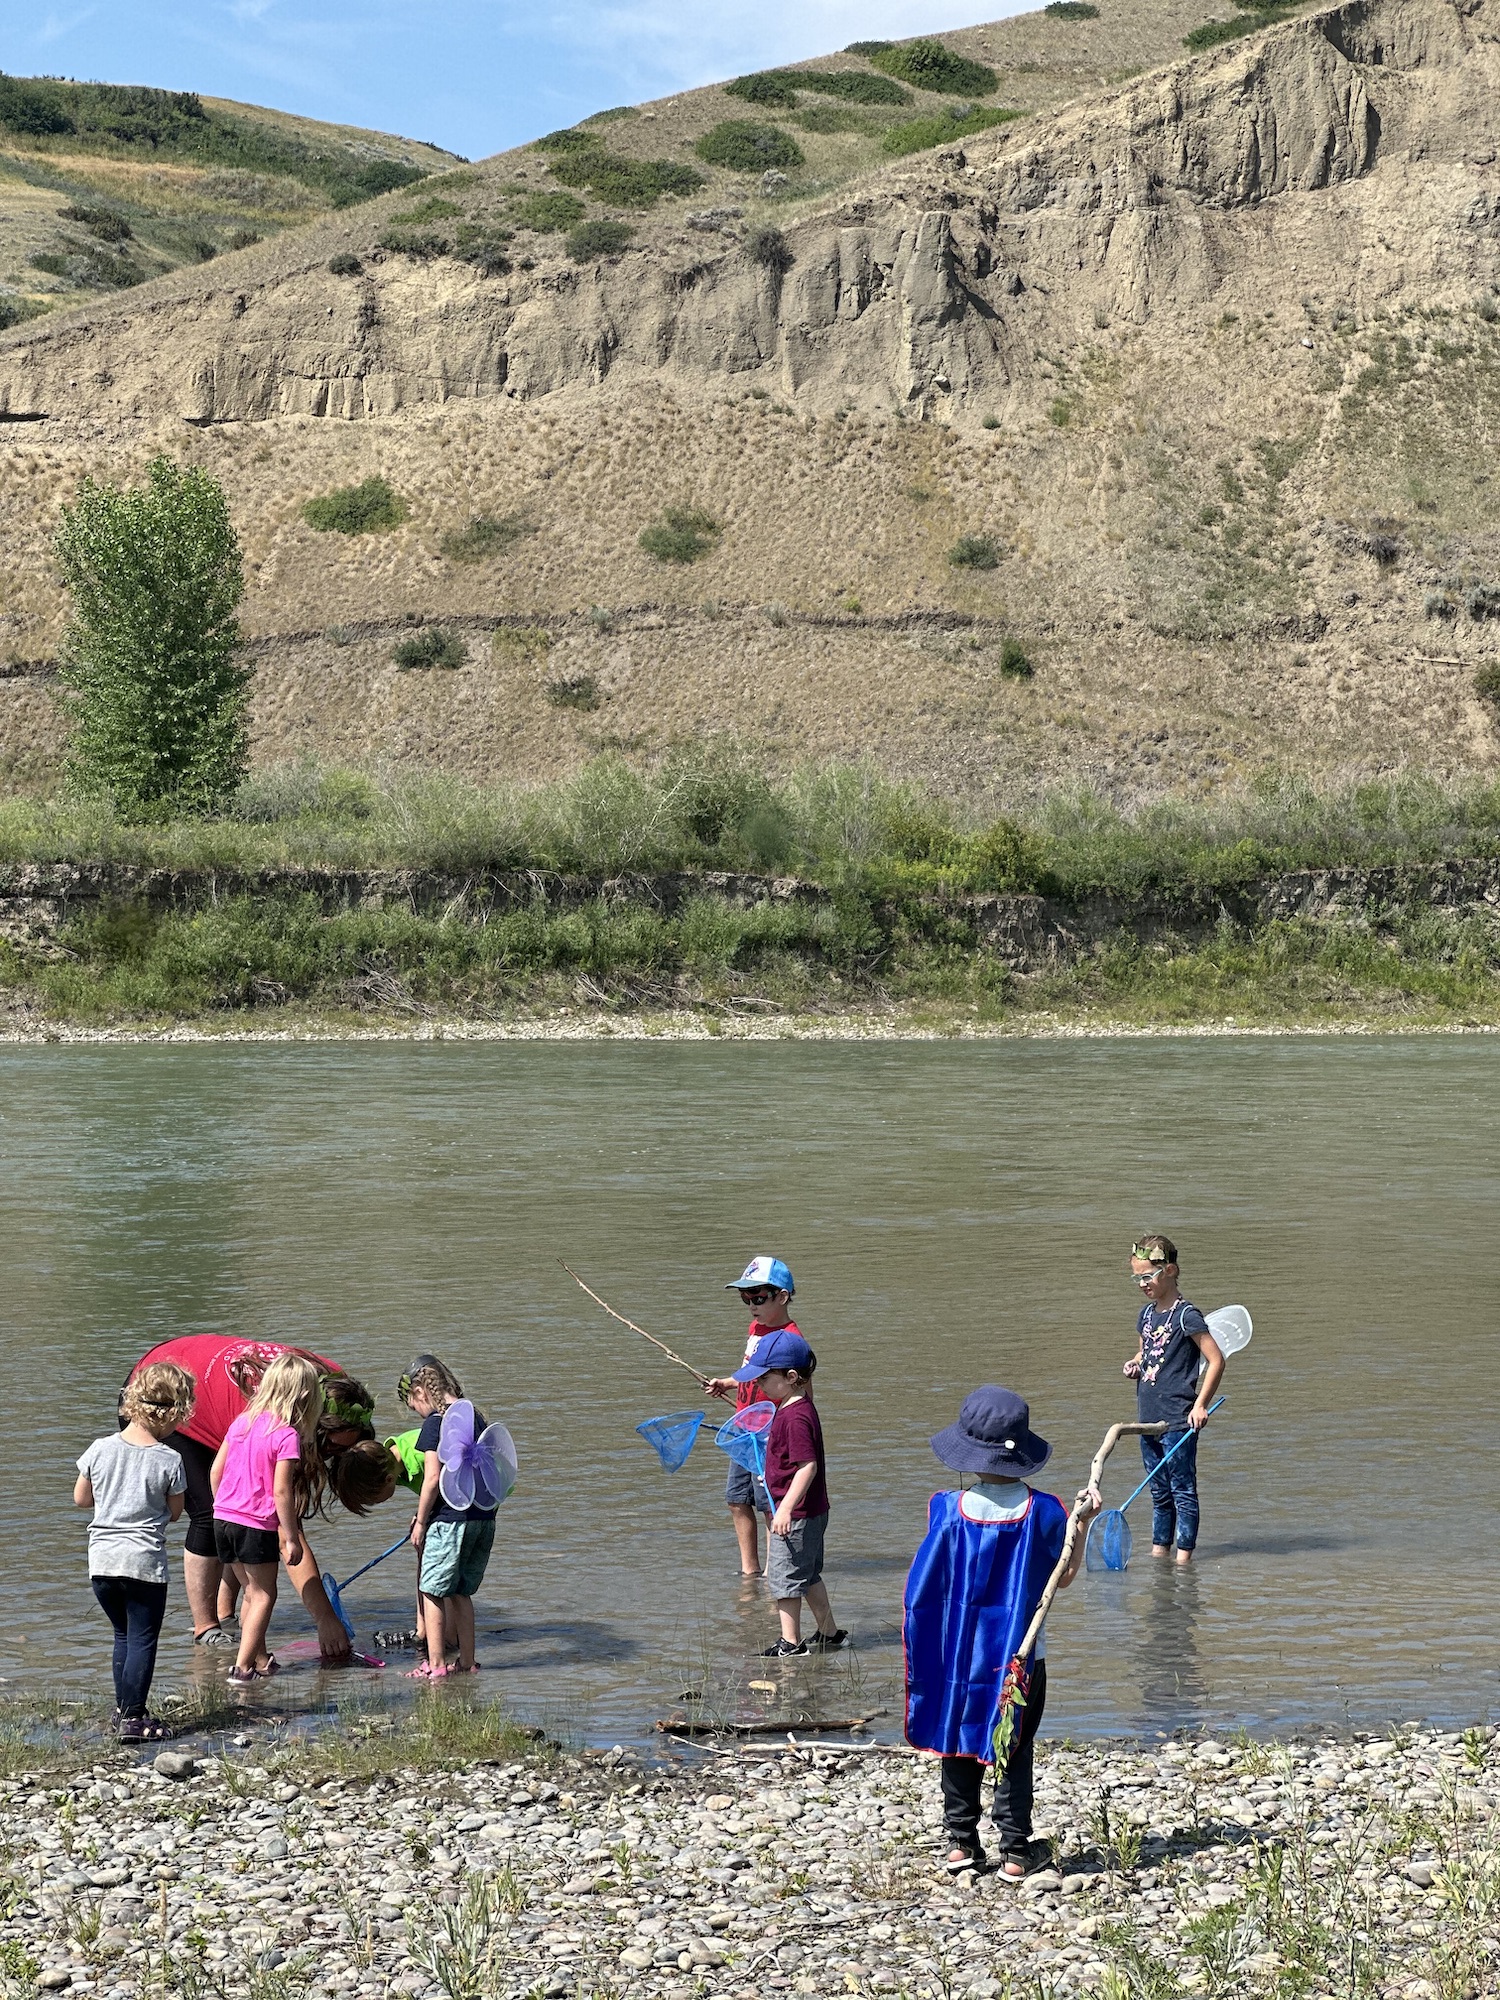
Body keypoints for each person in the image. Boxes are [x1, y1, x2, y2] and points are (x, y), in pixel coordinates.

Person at [903, 1386, 1098, 1877]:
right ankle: (1015, 1849)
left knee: (958, 1732)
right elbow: (1062, 1578)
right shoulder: (1047, 1511)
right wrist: (1082, 1525)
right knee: (1014, 1742)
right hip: (1021, 1655)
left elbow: (930, 1586)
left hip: (958, 1653)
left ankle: (961, 1842)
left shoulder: (945, 1508)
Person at [124, 1335, 398, 1659]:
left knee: (242, 1514)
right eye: (331, 1447)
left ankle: (228, 1616)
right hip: (163, 1392)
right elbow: (286, 1529)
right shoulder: (275, 1425)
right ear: (316, 1423)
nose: (331, 1456)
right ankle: (205, 1627)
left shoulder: (342, 1394)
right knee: (210, 1514)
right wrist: (325, 1618)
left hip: (202, 1385)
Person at [75, 1361, 196, 1743]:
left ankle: (122, 1711)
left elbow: (81, 1499)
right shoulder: (169, 1459)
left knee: (122, 1636)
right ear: (172, 1413)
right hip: (143, 1562)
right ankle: (134, 1718)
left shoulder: (99, 1448)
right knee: (142, 1639)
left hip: (102, 1561)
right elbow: (175, 1513)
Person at [210, 1352, 324, 1682]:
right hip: (255, 1524)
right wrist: (291, 1538)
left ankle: (260, 1661)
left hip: (223, 1519)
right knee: (264, 1595)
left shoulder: (241, 1422)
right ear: (305, 1396)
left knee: (251, 1593)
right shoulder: (286, 1434)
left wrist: (224, 1506)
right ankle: (242, 1669)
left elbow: (216, 1472)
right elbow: (282, 1491)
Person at [731, 1327, 845, 1657]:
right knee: (808, 1575)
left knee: (783, 1580)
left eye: (764, 1377)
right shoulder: (794, 1406)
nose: (758, 1383)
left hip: (796, 1514)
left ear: (791, 1377)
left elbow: (807, 1466)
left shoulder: (795, 1417)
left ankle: (791, 1644)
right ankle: (829, 1634)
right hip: (812, 1511)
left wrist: (784, 1509)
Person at [1123, 1234, 1225, 1565]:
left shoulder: (1187, 1316)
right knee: (1158, 1492)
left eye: (1147, 1277)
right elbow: (1146, 1353)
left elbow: (1216, 1360)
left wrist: (1200, 1405)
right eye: (1136, 1278)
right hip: (1147, 1419)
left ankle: (1183, 1563)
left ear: (1170, 1271)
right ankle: (1159, 1556)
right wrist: (1134, 1364)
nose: (1142, 1284)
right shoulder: (1145, 1315)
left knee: (1182, 1491)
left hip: (1178, 1419)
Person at [401, 1355, 498, 1679]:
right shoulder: (476, 1417)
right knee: (460, 1591)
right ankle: (467, 1662)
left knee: (432, 1590)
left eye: (413, 1404)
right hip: (483, 1519)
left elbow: (431, 1478)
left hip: (449, 1522)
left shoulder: (436, 1422)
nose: (417, 1412)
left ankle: (436, 1665)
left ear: (420, 1391)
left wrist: (421, 1520)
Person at [704, 1257, 799, 1579]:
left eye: (758, 1298)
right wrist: (728, 1383)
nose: (751, 1305)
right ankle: (749, 1573)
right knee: (736, 1499)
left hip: (770, 1434)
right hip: (744, 1427)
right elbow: (752, 1372)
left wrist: (786, 1433)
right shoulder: (756, 1329)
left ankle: (775, 1573)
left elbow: (801, 1393)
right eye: (745, 1298)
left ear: (782, 1297)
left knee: (768, 1505)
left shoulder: (790, 1340)